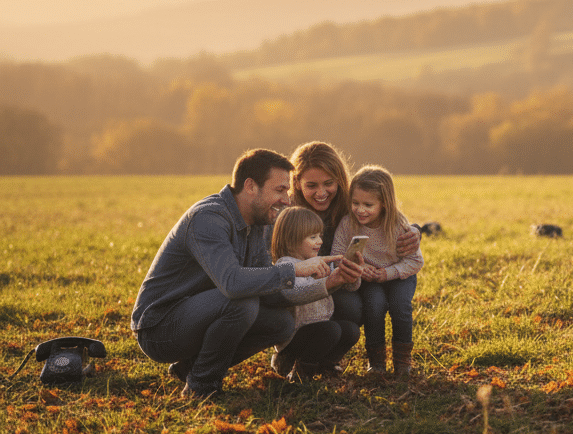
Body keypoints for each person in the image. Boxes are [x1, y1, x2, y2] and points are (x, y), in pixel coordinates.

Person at [131, 149, 361, 398]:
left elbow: (272, 295)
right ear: (251, 186)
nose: (286, 199)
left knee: (281, 324)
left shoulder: (257, 225)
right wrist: (293, 268)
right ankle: (202, 386)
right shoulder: (209, 218)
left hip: (199, 315)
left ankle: (190, 368)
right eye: (280, 190)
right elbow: (232, 284)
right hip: (160, 328)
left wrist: (329, 282)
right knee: (242, 303)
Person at [289, 142, 421, 331]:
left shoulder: (350, 205)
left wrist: (415, 230)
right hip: (301, 283)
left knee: (355, 307)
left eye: (328, 183)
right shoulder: (289, 213)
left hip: (342, 281)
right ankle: (301, 351)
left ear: (339, 180)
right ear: (297, 183)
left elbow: (385, 218)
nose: (321, 193)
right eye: (311, 185)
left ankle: (332, 352)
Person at [333, 166, 423, 376]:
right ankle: (376, 363)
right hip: (368, 278)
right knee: (374, 307)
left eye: (368, 205)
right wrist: (360, 269)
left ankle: (402, 362)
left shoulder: (398, 225)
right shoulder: (348, 224)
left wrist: (387, 273)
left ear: (384, 203)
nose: (360, 210)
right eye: (355, 203)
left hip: (399, 275)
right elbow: (338, 255)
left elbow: (415, 261)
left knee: (400, 307)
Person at [269, 206, 361, 380]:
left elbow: (351, 287)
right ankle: (300, 372)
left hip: (320, 329)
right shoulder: (286, 266)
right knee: (331, 330)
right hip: (294, 337)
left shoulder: (317, 261)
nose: (319, 241)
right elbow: (297, 292)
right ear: (291, 240)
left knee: (351, 330)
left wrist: (351, 275)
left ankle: (326, 365)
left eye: (319, 235)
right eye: (313, 237)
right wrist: (327, 282)